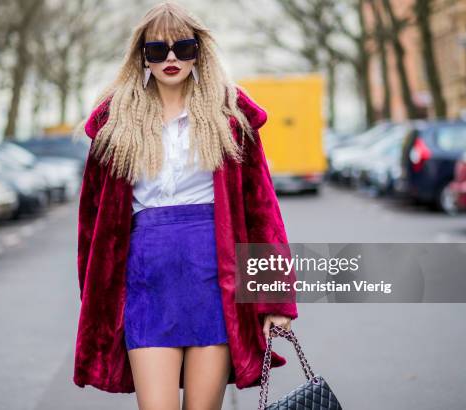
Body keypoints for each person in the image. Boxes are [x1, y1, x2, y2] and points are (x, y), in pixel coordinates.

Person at [73, 2, 298, 409]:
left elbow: (261, 211)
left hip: (213, 283)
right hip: (147, 283)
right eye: (157, 50)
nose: (171, 58)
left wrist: (273, 298)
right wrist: (97, 301)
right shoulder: (115, 124)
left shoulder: (229, 117)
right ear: (142, 55)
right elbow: (92, 224)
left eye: (182, 47)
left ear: (199, 51)